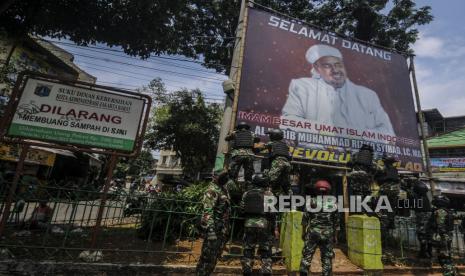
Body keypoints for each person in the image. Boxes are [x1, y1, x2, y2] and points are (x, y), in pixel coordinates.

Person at [281, 44, 395, 136]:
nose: (335, 70)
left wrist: (352, 138)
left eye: (338, 65)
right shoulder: (302, 87)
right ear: (317, 68)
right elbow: (289, 124)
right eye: (327, 66)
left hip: (361, 160)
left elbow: (388, 133)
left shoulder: (367, 95)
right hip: (313, 158)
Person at [300, 180, 339, 276]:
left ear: (316, 190)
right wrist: (335, 236)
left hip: (313, 232)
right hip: (327, 233)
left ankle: (303, 273)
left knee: (307, 256)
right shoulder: (333, 203)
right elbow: (336, 223)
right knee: (327, 257)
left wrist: (303, 233)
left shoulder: (311, 201)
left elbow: (305, 220)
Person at [196, 171, 231, 276]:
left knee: (214, 258)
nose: (225, 178)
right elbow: (207, 211)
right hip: (214, 229)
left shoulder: (223, 190)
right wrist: (210, 229)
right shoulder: (212, 190)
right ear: (214, 177)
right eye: (222, 176)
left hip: (221, 229)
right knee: (207, 258)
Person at [240, 174, 275, 276]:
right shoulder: (269, 194)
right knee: (265, 249)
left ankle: (247, 269)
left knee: (248, 248)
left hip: (249, 224)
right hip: (264, 225)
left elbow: (242, 209)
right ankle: (266, 270)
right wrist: (273, 228)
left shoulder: (246, 193)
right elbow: (272, 213)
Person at [429, 195, 457, 276]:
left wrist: (438, 238)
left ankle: (449, 273)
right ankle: (451, 273)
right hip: (446, 236)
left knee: (444, 258)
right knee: (446, 257)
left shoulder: (440, 211)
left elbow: (441, 227)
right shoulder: (447, 211)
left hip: (442, 237)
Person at [407, 178, 432, 258]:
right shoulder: (425, 197)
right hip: (428, 214)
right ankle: (429, 251)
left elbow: (410, 202)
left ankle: (423, 252)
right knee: (428, 234)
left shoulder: (415, 196)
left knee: (421, 234)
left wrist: (407, 189)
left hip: (421, 215)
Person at [263, 129, 291, 194]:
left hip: (278, 162)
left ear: (273, 136)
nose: (269, 136)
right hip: (287, 164)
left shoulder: (271, 143)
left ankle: (268, 200)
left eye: (270, 135)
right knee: (286, 184)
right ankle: (289, 199)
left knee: (270, 181)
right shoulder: (285, 145)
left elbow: (260, 148)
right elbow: (290, 156)